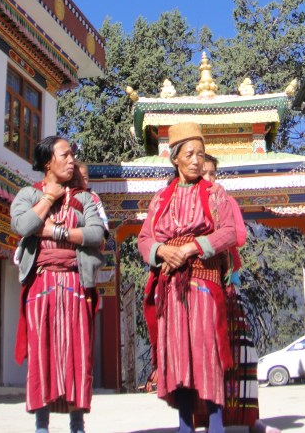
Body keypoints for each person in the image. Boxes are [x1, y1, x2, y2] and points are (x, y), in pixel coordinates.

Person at [137, 122, 237, 433]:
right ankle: (184, 425)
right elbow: (144, 240)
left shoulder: (215, 193)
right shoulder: (161, 198)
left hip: (203, 281)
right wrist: (163, 252)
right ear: (175, 157)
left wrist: (192, 248)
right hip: (170, 287)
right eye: (190, 154)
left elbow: (229, 232)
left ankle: (217, 424)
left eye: (201, 154)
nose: (196, 160)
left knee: (207, 351)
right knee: (178, 353)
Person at [10, 135, 105, 433]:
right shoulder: (28, 194)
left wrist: (55, 231)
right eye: (64, 155)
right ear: (47, 161)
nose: (71, 160)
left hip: (76, 281)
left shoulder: (85, 198)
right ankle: (42, 425)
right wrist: (49, 198)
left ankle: (77, 424)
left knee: (78, 353)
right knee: (42, 353)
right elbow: (24, 226)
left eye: (72, 156)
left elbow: (95, 235)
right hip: (42, 284)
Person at [201, 154, 280, 433]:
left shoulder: (226, 201)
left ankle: (246, 418)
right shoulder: (189, 203)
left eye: (213, 173)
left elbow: (239, 236)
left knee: (241, 351)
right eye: (204, 173)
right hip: (200, 286)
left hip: (226, 285)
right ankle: (208, 418)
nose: (209, 179)